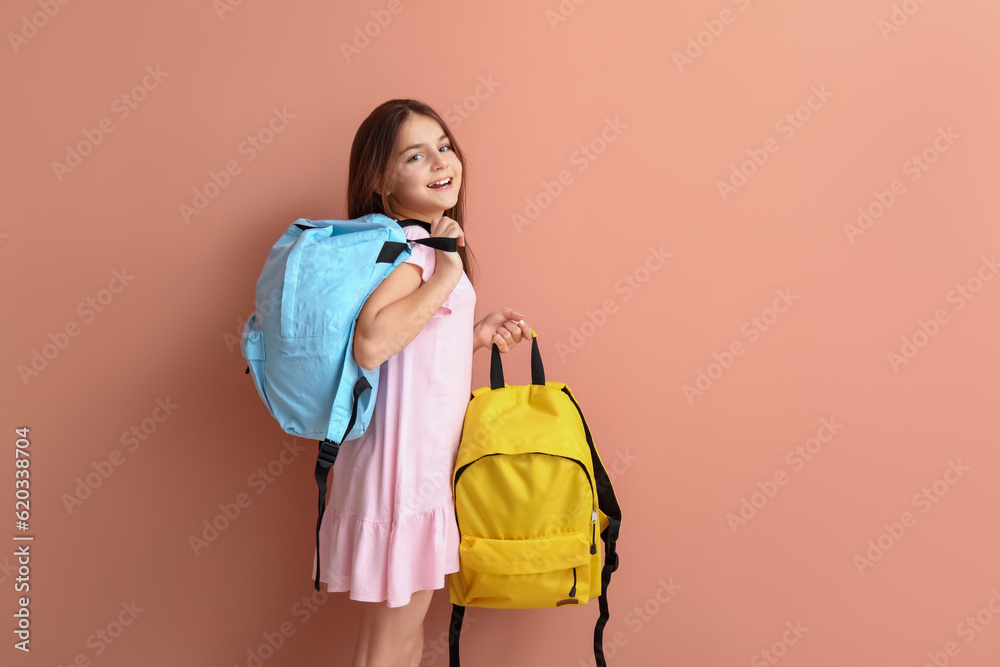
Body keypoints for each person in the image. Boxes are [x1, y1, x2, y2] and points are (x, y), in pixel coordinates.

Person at [314, 98, 532, 667]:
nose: (442, 161)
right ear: (383, 182)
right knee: (390, 647)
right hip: (402, 475)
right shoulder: (411, 249)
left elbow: (413, 345)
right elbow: (372, 342)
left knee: (399, 641)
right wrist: (451, 272)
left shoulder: (413, 244)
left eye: (444, 145)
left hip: (415, 470)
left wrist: (475, 334)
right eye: (416, 155)